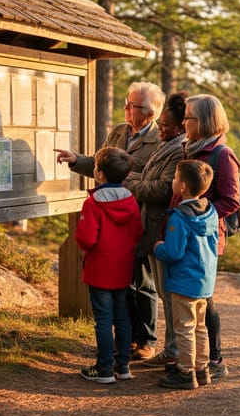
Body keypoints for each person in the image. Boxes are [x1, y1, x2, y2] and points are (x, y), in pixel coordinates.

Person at [55, 81, 165, 361]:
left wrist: (129, 178)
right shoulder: (118, 131)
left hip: (135, 217)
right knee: (122, 285)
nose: (126, 108)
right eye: (126, 102)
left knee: (143, 283)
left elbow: (148, 179)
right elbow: (102, 164)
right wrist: (75, 159)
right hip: (108, 216)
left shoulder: (159, 140)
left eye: (133, 105)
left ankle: (146, 340)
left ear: (150, 114)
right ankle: (124, 340)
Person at [175, 94, 240, 379]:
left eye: (188, 117)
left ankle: (214, 359)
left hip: (205, 239)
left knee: (206, 299)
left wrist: (196, 215)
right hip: (184, 234)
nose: (183, 122)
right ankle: (192, 358)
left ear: (203, 121)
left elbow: (231, 200)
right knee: (193, 298)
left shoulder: (221, 155)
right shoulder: (189, 148)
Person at [123, 92, 189, 369]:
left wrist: (127, 184)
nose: (160, 128)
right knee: (164, 292)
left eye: (166, 124)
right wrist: (127, 176)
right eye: (160, 123)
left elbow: (162, 188)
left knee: (167, 292)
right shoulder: (167, 145)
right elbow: (152, 178)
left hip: (162, 226)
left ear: (181, 126)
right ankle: (170, 347)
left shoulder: (178, 149)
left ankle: (173, 349)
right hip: (152, 227)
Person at [74, 147, 143, 384]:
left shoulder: (93, 203)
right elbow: (137, 233)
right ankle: (122, 366)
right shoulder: (132, 201)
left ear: (100, 174)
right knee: (121, 317)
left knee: (103, 319)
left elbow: (86, 238)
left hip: (100, 269)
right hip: (123, 269)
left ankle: (104, 369)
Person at [154, 160, 219, 389]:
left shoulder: (179, 218)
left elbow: (173, 252)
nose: (172, 181)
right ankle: (202, 370)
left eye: (174, 178)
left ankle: (185, 372)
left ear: (181, 187)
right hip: (204, 282)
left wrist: (158, 247)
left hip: (183, 283)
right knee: (200, 327)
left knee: (184, 329)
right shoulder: (210, 211)